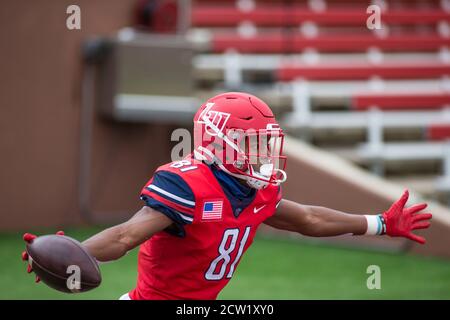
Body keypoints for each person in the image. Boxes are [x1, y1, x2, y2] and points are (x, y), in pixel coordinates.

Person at [21, 92, 432, 300]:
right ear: (217, 144)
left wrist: (378, 223)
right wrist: (73, 251)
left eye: (264, 142)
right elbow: (128, 235)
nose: (262, 152)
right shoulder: (187, 183)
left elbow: (307, 219)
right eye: (250, 142)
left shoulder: (256, 189)